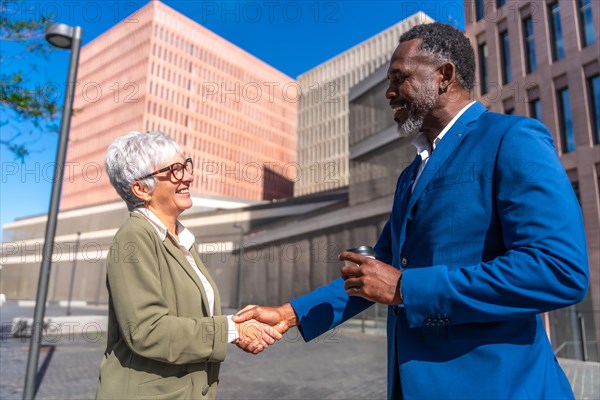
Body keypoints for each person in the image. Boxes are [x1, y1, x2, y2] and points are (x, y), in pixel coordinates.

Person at [234, 22, 589, 399]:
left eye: (399, 78)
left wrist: (405, 288)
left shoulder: (512, 139)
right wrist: (288, 314)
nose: (389, 92)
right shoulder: (411, 175)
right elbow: (378, 270)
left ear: (444, 76)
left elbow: (558, 270)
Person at [97, 131, 280, 399]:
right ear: (140, 189)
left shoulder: (184, 241)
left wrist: (237, 328)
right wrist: (232, 328)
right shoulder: (134, 238)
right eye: (174, 170)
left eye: (185, 166)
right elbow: (147, 331)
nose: (188, 177)